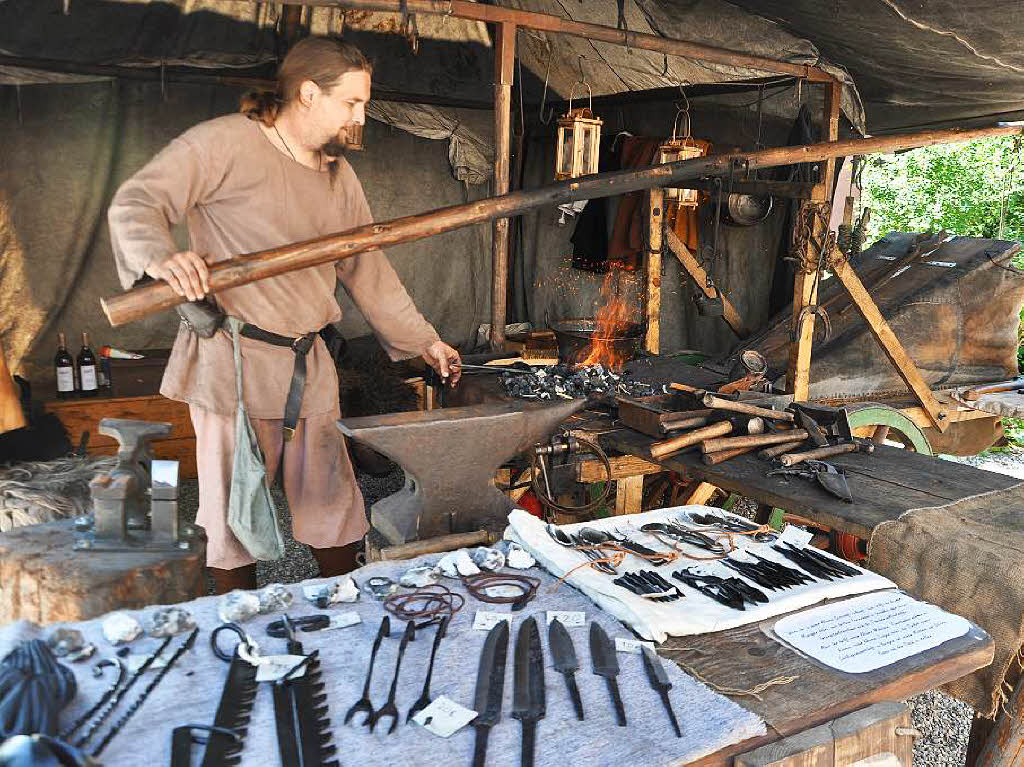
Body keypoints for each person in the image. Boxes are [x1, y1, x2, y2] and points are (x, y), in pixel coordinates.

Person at [108, 36, 461, 593]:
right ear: (308, 94)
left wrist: (425, 342)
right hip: (233, 362)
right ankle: (237, 632)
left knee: (333, 501)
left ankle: (347, 612)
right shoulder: (225, 143)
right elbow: (137, 203)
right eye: (352, 102)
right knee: (231, 511)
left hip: (307, 361)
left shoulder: (335, 173)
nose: (361, 115)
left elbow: (364, 265)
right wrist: (162, 256)